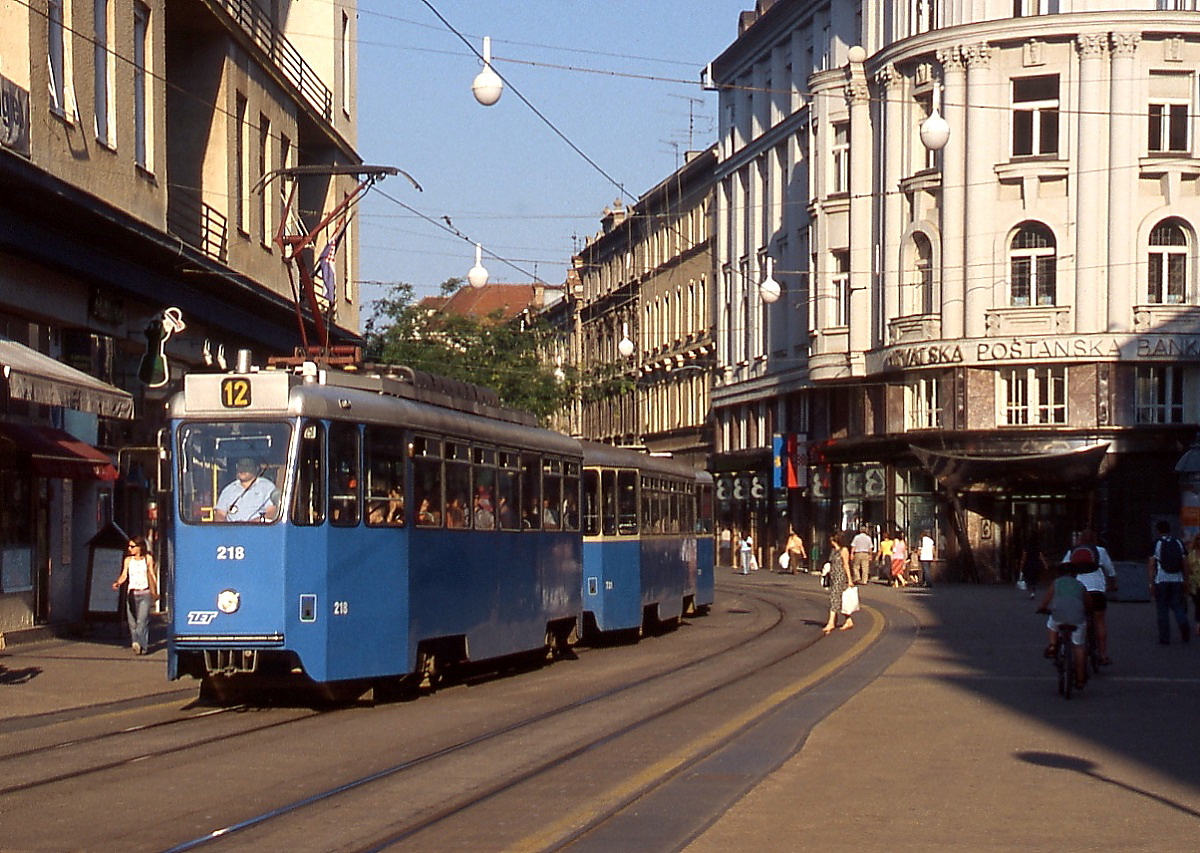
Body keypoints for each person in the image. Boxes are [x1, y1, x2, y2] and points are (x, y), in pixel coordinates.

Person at [1060, 530, 1118, 665]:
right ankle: (1102, 655)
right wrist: (1112, 585)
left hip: (1076, 591)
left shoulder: (1072, 551)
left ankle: (1066, 649)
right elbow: (1111, 571)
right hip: (1097, 591)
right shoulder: (1100, 551)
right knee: (1099, 621)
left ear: (1079, 540)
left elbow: (1062, 569)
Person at [1037, 560, 1092, 690]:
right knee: (1078, 646)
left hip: (1059, 615)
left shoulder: (1056, 583)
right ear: (1075, 574)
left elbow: (1047, 599)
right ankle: (1080, 679)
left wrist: (1042, 608)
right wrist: (1088, 610)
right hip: (1077, 616)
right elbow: (1089, 602)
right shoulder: (1080, 585)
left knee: (1052, 623)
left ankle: (1052, 645)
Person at [112, 536, 158, 655]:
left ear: (139, 547)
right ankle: (136, 643)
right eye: (129, 546)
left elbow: (152, 574)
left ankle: (143, 645)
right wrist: (118, 583)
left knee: (142, 621)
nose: (129, 549)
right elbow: (124, 575)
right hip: (132, 593)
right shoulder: (128, 560)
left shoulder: (147, 558)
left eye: (132, 546)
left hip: (145, 593)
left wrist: (155, 589)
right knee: (132, 621)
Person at [1147, 520, 1190, 645]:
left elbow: (1151, 565)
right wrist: (1186, 580)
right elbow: (1185, 564)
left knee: (1162, 608)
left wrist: (1151, 583)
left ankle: (1164, 638)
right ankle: (1183, 625)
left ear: (1158, 531)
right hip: (1177, 579)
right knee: (1177, 605)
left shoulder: (1157, 544)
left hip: (1161, 579)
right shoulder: (1178, 543)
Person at [214, 457, 279, 522]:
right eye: (240, 466)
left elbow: (271, 512)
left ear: (256, 469)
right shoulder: (228, 490)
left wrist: (252, 523)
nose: (243, 470)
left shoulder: (267, 487)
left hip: (258, 529)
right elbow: (219, 514)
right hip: (232, 530)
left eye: (247, 466)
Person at [822, 530, 854, 634]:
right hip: (833, 576)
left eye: (832, 540)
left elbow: (846, 565)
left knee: (834, 598)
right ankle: (848, 620)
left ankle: (831, 623)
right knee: (839, 599)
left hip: (840, 577)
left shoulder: (844, 550)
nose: (830, 541)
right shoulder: (833, 551)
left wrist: (849, 580)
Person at [1187, 533, 1200, 637]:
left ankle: (1198, 625)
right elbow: (1187, 567)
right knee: (1197, 604)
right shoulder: (1191, 553)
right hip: (1194, 584)